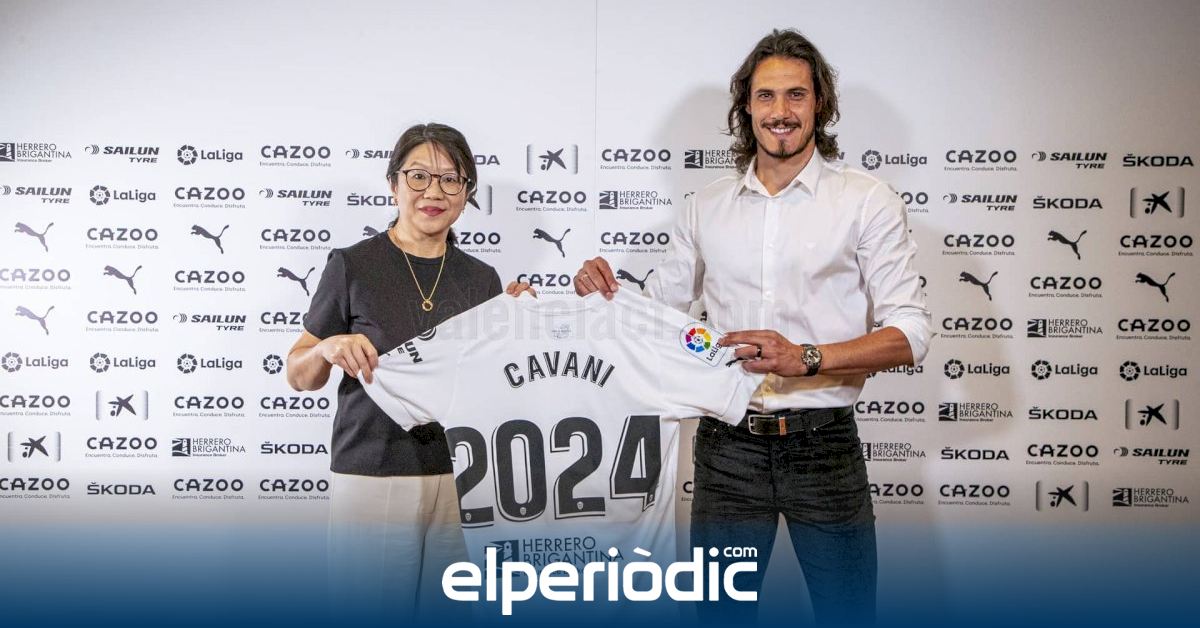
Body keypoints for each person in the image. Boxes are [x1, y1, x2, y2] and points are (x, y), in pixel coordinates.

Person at [574, 29, 932, 625]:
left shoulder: (866, 200)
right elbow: (658, 313)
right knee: (720, 616)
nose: (780, 112)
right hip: (727, 449)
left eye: (796, 95)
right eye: (766, 96)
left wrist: (806, 357)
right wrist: (602, 295)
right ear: (746, 105)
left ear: (820, 103)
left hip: (824, 448)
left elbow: (910, 332)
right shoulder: (704, 207)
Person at [285, 122, 532, 624]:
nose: (433, 192)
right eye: (418, 176)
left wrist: (521, 326)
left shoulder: (482, 279)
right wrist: (328, 347)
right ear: (393, 183)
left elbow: (497, 384)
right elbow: (298, 374)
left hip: (464, 478)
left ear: (467, 192)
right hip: (374, 473)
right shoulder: (353, 265)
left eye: (450, 179)